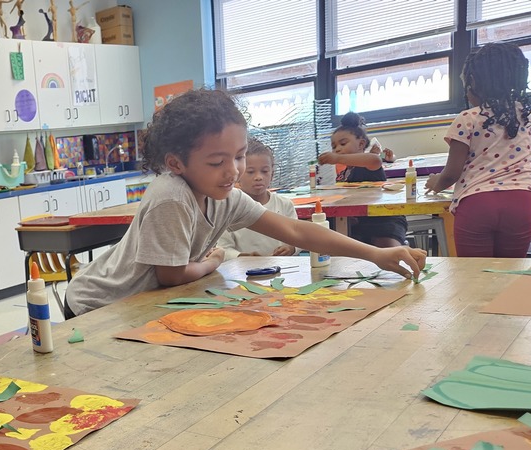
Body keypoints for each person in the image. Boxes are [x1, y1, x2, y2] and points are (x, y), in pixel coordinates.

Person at [64, 89, 426, 316]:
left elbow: (293, 229)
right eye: (216, 161)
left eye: (238, 156)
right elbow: (171, 276)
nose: (232, 171)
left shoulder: (224, 196)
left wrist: (374, 254)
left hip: (140, 302)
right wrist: (215, 260)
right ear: (176, 163)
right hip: (97, 305)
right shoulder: (170, 198)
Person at [425, 42, 531, 257]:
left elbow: (452, 173)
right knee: (509, 277)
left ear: (474, 82)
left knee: (475, 279)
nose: (466, 93)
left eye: (466, 86)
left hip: (478, 203)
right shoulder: (528, 118)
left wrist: (435, 184)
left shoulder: (468, 118)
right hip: (521, 203)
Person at [317, 112, 408, 248]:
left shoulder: (367, 162)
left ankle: (404, 253)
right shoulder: (345, 172)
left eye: (343, 143)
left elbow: (375, 159)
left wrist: (336, 158)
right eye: (334, 146)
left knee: (388, 249)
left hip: (385, 219)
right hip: (358, 222)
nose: (338, 149)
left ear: (361, 144)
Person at [217, 138, 299, 259]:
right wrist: (242, 257)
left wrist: (291, 248)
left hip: (282, 270)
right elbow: (222, 249)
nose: (258, 177)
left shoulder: (285, 204)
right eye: (250, 172)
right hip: (243, 273)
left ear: (272, 174)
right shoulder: (227, 208)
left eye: (264, 171)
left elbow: (297, 238)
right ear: (238, 174)